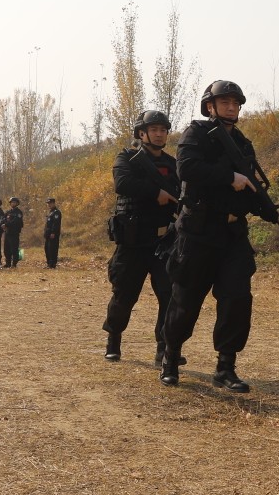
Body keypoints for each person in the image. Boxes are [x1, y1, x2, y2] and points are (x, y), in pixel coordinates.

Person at [158, 81, 266, 391]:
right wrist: (229, 177)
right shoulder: (196, 134)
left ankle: (225, 366)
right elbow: (187, 169)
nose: (231, 107)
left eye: (235, 102)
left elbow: (250, 183)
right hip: (198, 233)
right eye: (224, 101)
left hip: (232, 234)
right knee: (185, 299)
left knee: (237, 298)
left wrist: (260, 204)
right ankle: (171, 357)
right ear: (210, 106)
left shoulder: (244, 143)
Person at [101, 109, 179, 364]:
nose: (159, 134)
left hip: (162, 241)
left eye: (163, 130)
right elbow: (122, 184)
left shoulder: (171, 163)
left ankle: (163, 348)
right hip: (133, 242)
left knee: (169, 295)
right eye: (154, 130)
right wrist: (155, 193)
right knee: (124, 295)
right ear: (141, 133)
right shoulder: (127, 157)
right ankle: (114, 339)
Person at [2, 197, 24, 268]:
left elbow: (16, 221)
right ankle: (7, 263)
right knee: (6, 249)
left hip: (14, 233)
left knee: (14, 249)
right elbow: (3, 219)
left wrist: (6, 224)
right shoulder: (8, 212)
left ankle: (14, 264)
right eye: (12, 202)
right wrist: (3, 224)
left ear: (17, 203)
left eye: (14, 202)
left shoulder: (18, 212)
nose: (13, 203)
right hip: (7, 232)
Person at [43, 197, 62, 269]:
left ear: (53, 203)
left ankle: (52, 264)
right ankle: (49, 263)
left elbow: (56, 223)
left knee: (52, 249)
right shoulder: (50, 212)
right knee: (47, 249)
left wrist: (53, 232)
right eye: (48, 204)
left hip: (53, 234)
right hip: (48, 234)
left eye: (50, 203)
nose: (49, 205)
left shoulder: (57, 212)